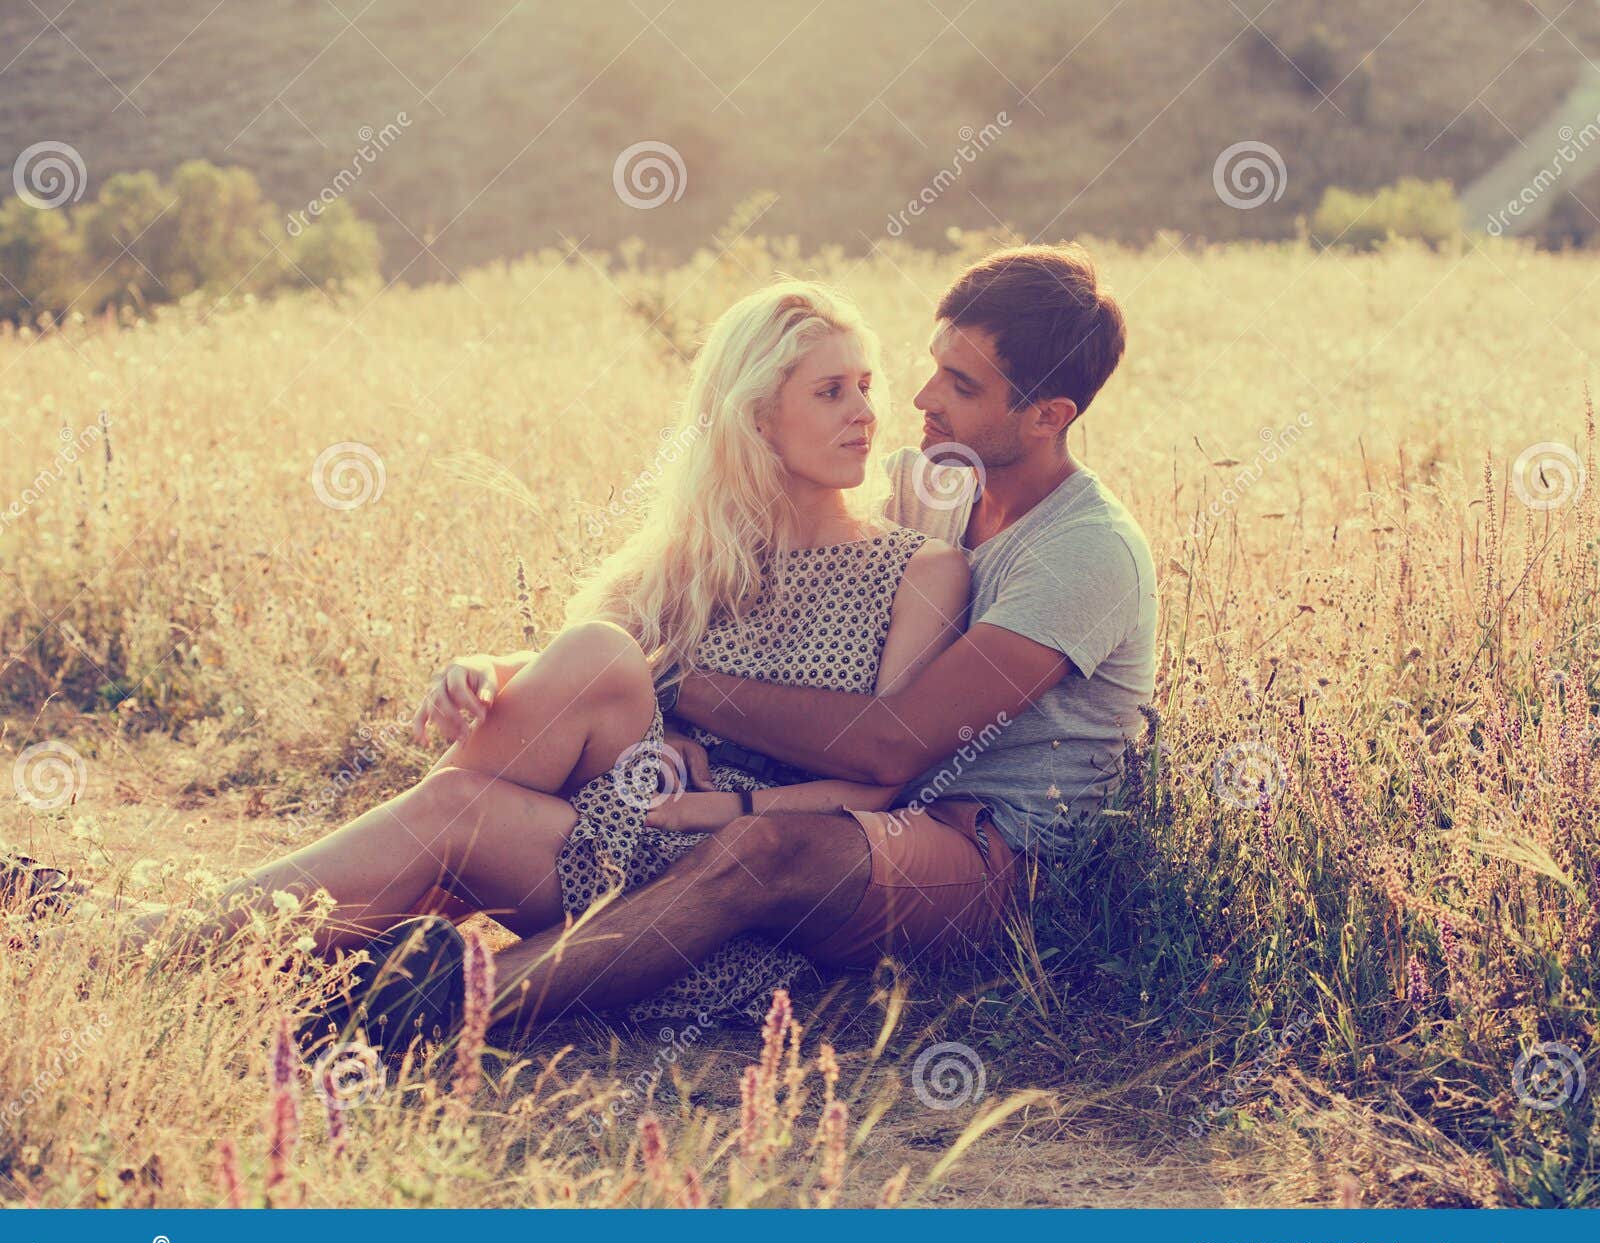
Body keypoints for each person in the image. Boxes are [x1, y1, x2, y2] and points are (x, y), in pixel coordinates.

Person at [20, 279, 969, 1036]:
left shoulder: (915, 569)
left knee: (477, 782)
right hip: (614, 827)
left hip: (723, 890)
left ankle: (141, 943)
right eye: (831, 391)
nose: (865, 415)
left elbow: (885, 783)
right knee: (490, 762)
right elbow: (607, 669)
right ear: (758, 417)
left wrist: (719, 807)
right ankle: (171, 948)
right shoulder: (700, 556)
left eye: (866, 387)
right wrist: (490, 668)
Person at [470, 242, 1158, 1040]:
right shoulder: (919, 483)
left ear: (1049, 416)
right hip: (865, 818)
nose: (923, 399)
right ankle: (358, 919)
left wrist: (670, 683)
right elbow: (712, 586)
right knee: (631, 800)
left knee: (766, 848)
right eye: (931, 367)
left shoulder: (1084, 552)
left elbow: (888, 747)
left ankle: (453, 1001)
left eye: (962, 387)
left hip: (994, 857)